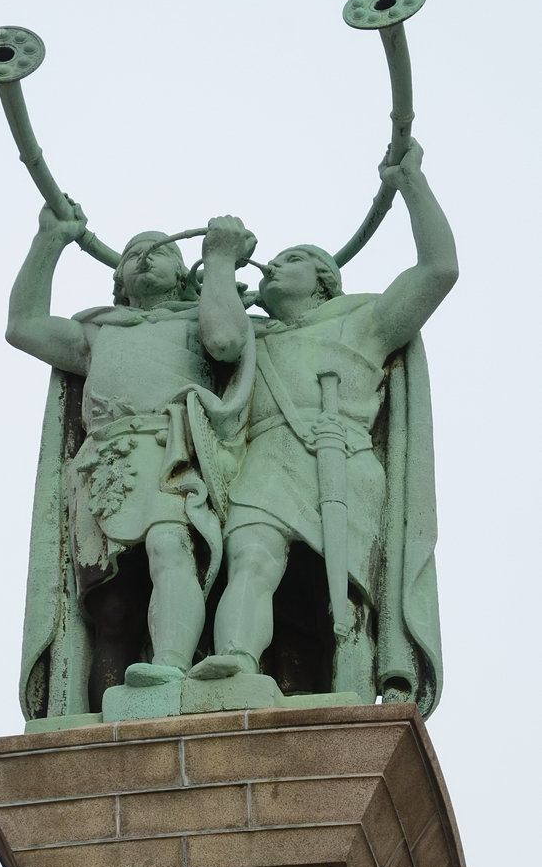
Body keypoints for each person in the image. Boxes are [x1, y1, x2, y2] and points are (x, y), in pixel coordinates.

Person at [190, 141, 458, 716]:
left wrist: (410, 181)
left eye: (290, 259)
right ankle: (235, 659)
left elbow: (439, 269)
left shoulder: (364, 321)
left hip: (344, 458)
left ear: (324, 277)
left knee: (349, 594)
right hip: (266, 456)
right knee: (252, 558)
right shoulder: (251, 338)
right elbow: (220, 339)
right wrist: (219, 260)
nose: (273, 266)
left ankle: (354, 694)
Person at [7, 205, 254, 713]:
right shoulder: (100, 331)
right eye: (134, 254)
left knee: (172, 546)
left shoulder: (197, 318)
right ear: (118, 279)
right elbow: (23, 325)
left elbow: (227, 341)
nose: (144, 259)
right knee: (112, 608)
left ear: (185, 273)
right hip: (105, 468)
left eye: (159, 251)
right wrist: (49, 241)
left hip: (172, 452)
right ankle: (106, 719)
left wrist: (222, 261)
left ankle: (170, 666)